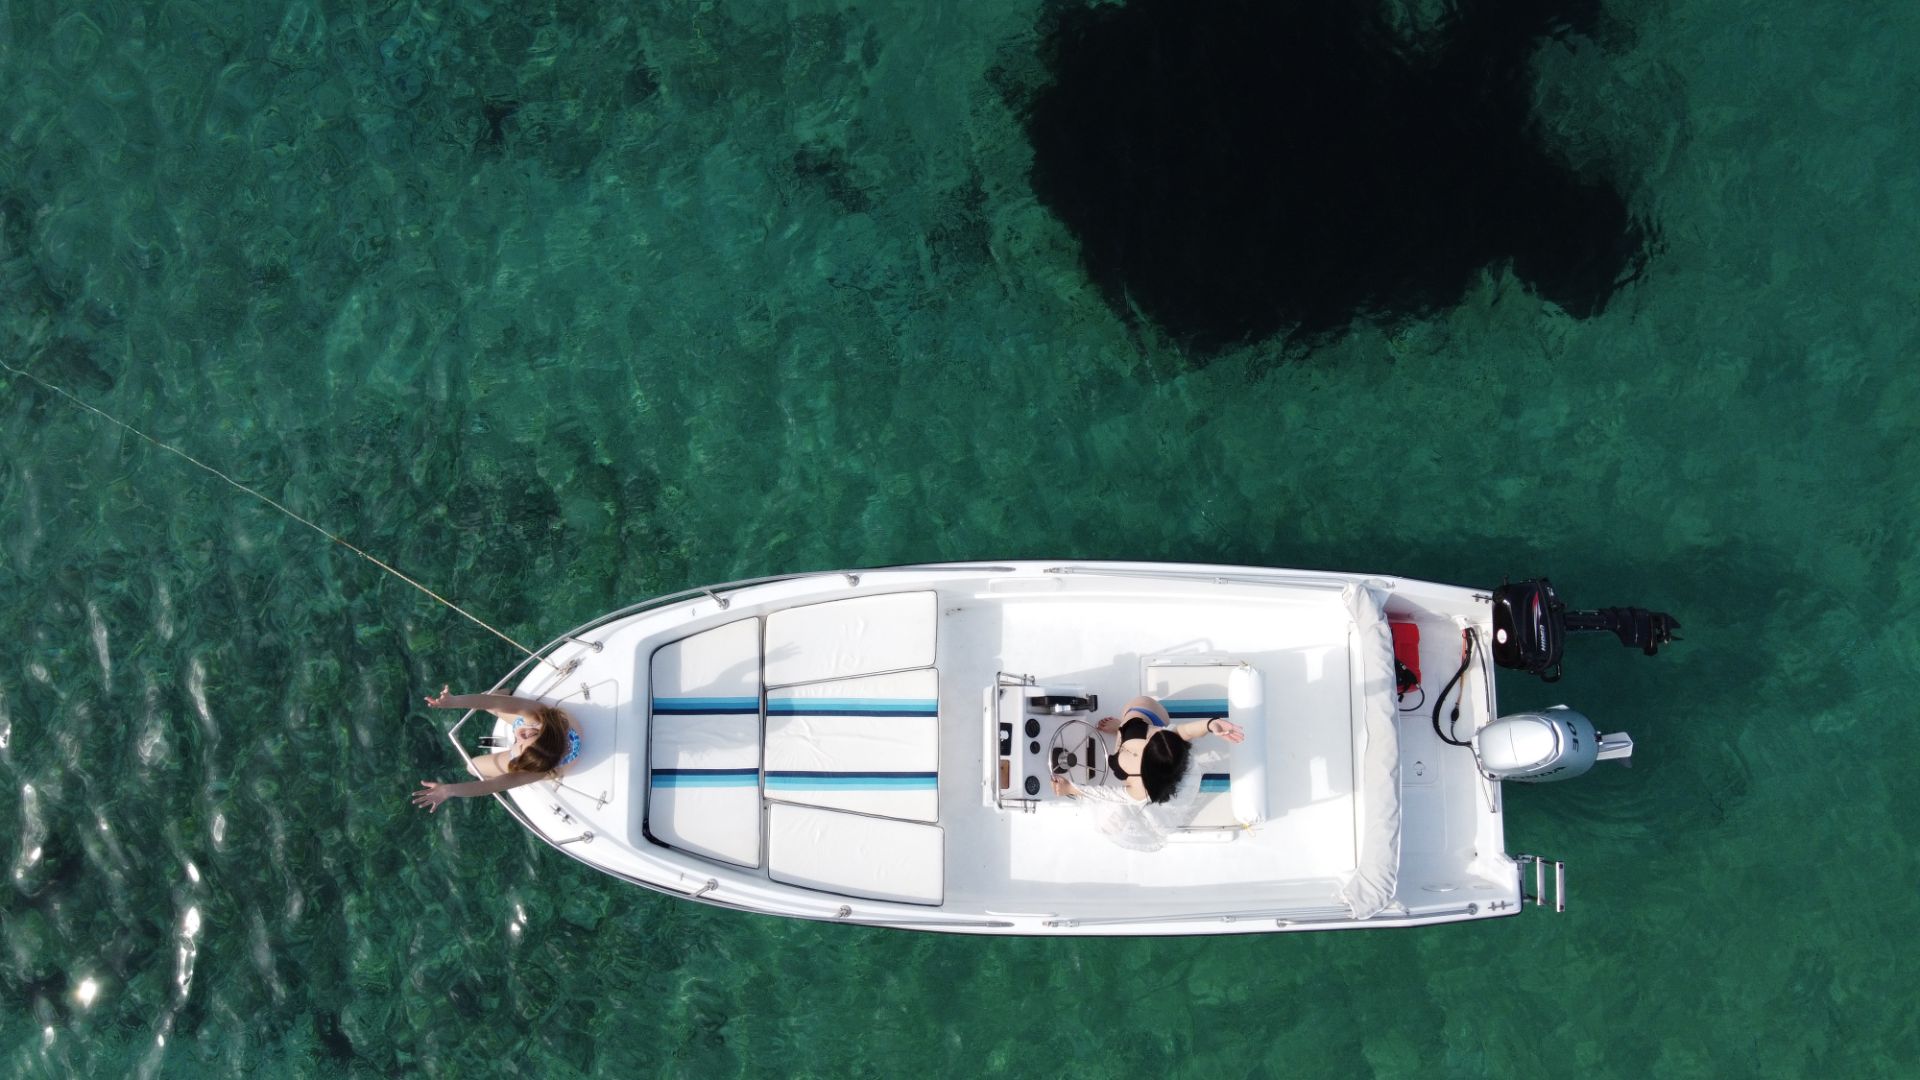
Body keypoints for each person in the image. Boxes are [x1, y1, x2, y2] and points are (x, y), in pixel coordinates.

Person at [1049, 694, 1244, 851]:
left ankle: (1122, 728)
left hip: (1142, 750)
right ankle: (1123, 727)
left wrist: (1072, 789)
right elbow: (1187, 731)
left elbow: (1108, 794)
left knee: (1111, 819)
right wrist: (1211, 724)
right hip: (1146, 720)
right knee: (1140, 705)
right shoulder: (1162, 739)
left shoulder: (1139, 790)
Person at [410, 686, 580, 813]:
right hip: (542, 738)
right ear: (545, 731)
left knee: (472, 767)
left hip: (545, 758)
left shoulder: (538, 770)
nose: (519, 736)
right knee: (488, 698)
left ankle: (504, 742)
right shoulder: (538, 716)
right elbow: (492, 702)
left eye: (519, 745)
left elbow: (491, 785)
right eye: (529, 736)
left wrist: (448, 790)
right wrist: (454, 701)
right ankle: (508, 704)